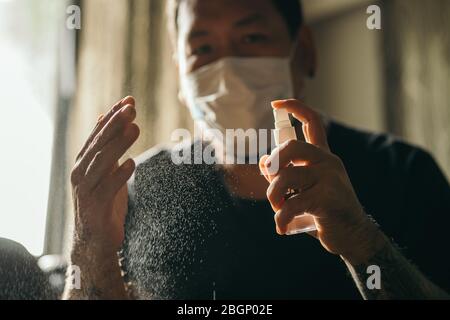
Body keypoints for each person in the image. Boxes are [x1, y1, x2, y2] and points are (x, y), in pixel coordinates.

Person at [64, 0, 450, 300]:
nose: (227, 70)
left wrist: (360, 238)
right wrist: (89, 244)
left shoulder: (403, 174)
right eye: (202, 48)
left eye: (252, 39)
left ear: (304, 53)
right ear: (180, 73)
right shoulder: (139, 185)